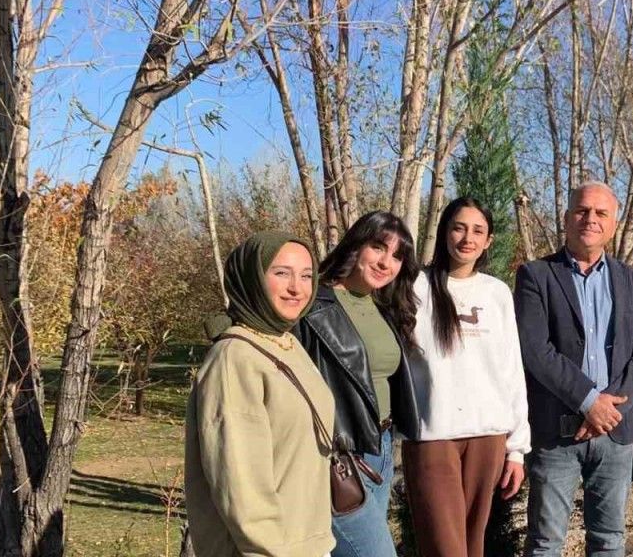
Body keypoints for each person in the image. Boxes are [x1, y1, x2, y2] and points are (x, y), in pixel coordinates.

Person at [515, 181, 633, 557]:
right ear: (566, 218)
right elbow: (536, 350)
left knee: (609, 540)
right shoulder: (536, 275)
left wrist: (609, 409)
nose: (590, 219)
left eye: (600, 213)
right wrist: (589, 401)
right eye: (582, 211)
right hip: (556, 434)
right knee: (545, 542)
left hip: (615, 433)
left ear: (614, 224)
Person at [185, 231, 336, 557]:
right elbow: (240, 482)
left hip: (307, 542)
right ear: (252, 279)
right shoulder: (235, 358)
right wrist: (273, 550)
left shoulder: (287, 343)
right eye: (282, 273)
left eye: (306, 275)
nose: (297, 287)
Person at [405, 197, 531, 557]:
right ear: (445, 231)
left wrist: (517, 450)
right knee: (444, 548)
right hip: (433, 436)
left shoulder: (497, 293)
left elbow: (511, 370)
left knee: (473, 547)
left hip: (488, 437)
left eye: (478, 231)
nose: (467, 238)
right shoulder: (414, 286)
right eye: (459, 228)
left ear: (489, 240)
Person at [293, 211, 422, 557]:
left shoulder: (385, 307)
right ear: (356, 245)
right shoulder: (313, 305)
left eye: (397, 256)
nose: (386, 262)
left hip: (381, 447)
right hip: (338, 454)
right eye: (378, 247)